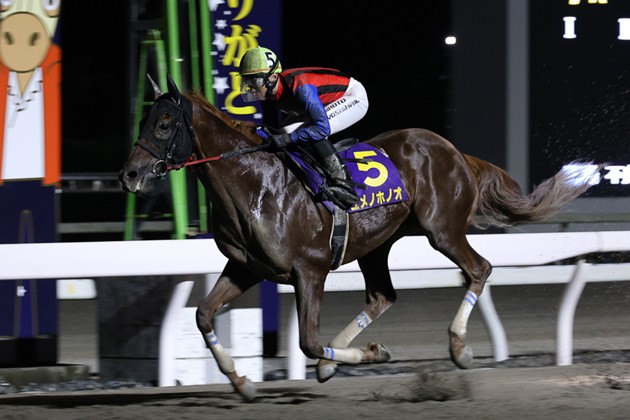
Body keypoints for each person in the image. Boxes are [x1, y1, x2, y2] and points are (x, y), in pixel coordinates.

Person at [238, 46, 369, 209]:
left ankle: (345, 186)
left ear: (272, 77)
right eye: (247, 81)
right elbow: (274, 132)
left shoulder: (301, 87)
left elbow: (321, 128)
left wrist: (288, 139)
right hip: (321, 102)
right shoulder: (269, 92)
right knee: (284, 133)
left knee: (310, 132)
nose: (251, 88)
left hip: (352, 96)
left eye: (255, 81)